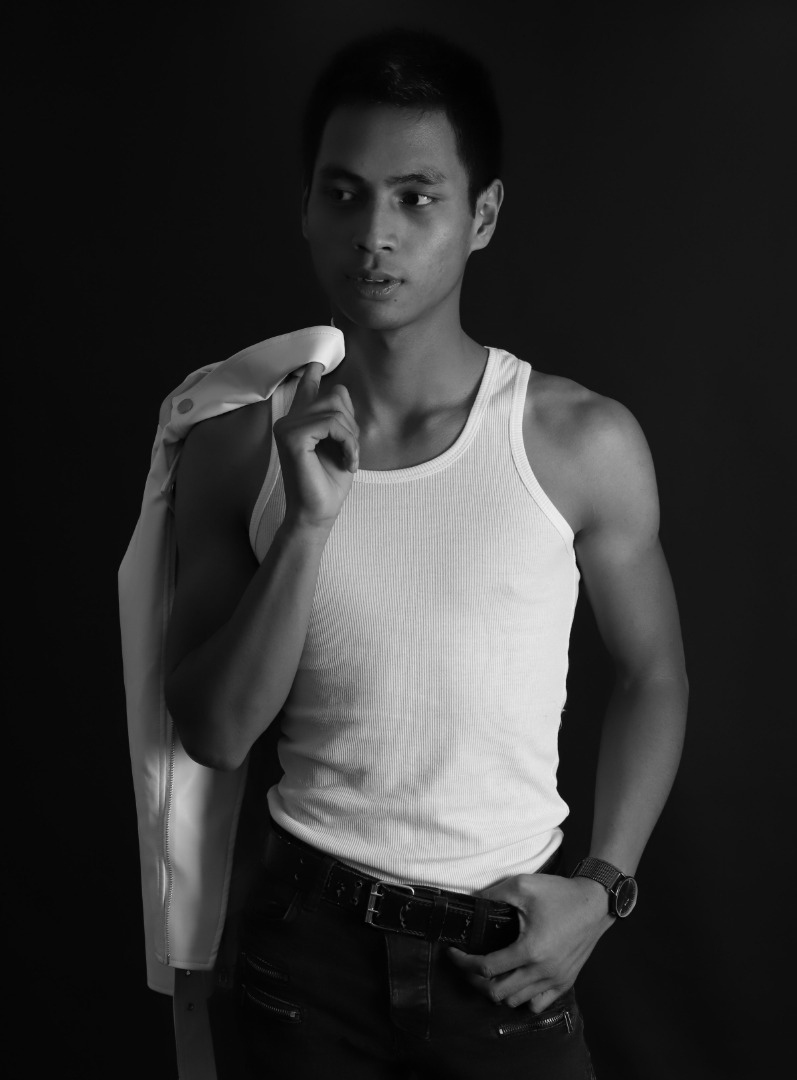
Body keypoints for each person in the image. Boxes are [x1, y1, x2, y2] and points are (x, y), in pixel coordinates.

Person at [162, 27, 688, 1079]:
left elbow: (653, 674)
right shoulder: (236, 448)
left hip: (501, 952)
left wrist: (602, 887)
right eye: (345, 195)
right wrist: (308, 524)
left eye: (415, 198)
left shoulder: (576, 442)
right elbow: (215, 734)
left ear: (480, 215)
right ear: (306, 207)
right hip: (302, 960)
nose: (375, 235)